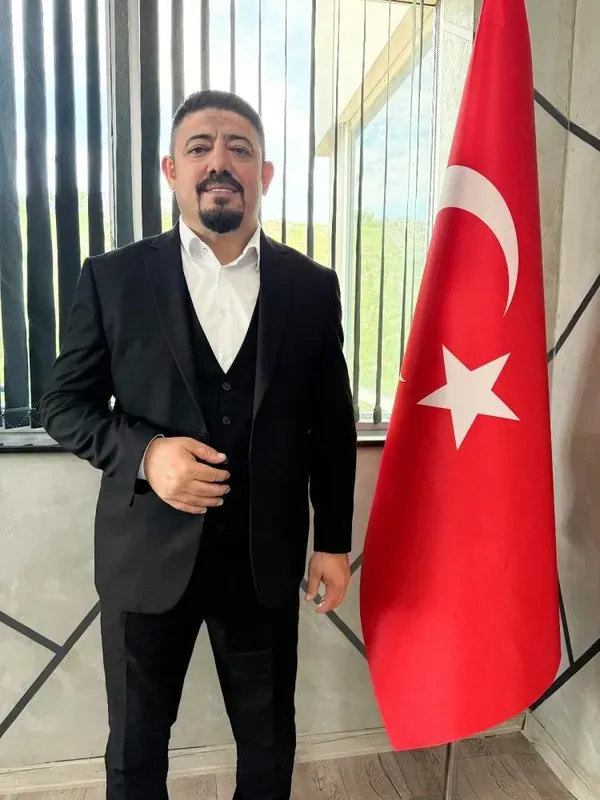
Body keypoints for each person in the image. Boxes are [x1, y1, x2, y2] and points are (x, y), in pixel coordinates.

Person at [39, 90, 357, 800]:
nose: (220, 162)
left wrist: (333, 542)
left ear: (264, 174)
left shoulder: (311, 288)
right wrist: (148, 455)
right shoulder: (113, 277)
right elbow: (63, 405)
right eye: (200, 147)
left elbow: (331, 426)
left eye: (239, 149)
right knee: (135, 749)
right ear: (171, 170)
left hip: (263, 558)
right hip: (144, 558)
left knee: (268, 744)